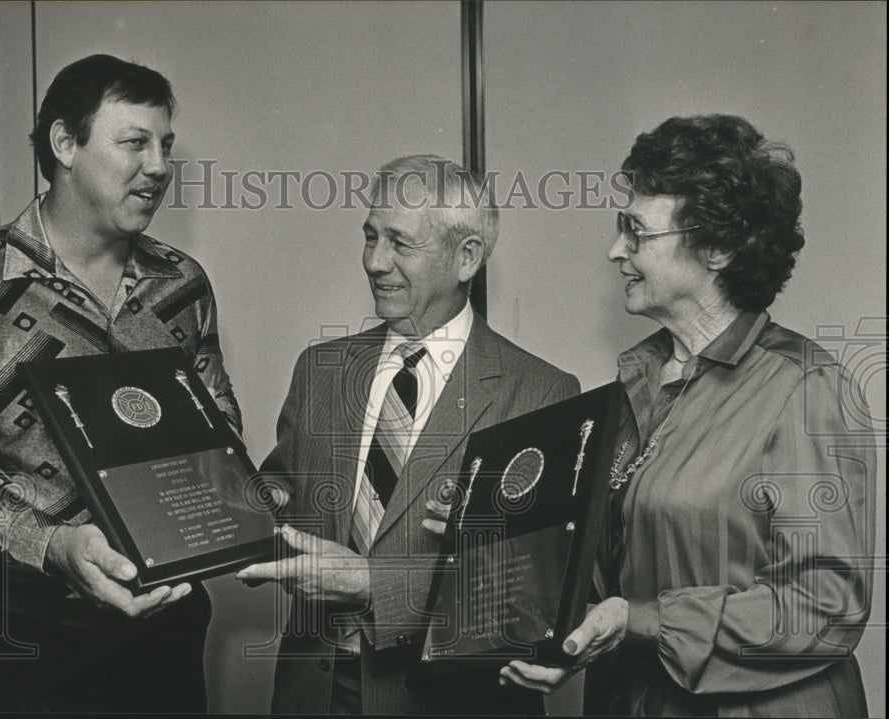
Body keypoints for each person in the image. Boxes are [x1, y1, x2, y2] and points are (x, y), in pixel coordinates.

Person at [0, 54, 240, 712]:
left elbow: (218, 428)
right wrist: (51, 545)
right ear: (64, 143)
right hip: (16, 641)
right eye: (134, 142)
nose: (159, 166)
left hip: (165, 634)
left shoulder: (182, 285)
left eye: (164, 145)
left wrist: (246, 502)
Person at [496, 115, 876, 716]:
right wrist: (491, 522)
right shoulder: (630, 391)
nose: (615, 249)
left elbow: (824, 606)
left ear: (718, 248)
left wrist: (646, 620)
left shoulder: (805, 387)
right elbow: (611, 574)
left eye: (636, 232)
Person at [236, 155, 580, 715]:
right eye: (370, 237)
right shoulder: (321, 370)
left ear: (466, 257)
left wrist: (374, 583)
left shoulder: (540, 393)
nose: (375, 261)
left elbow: (535, 592)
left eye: (400, 243)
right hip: (314, 694)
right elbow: (281, 495)